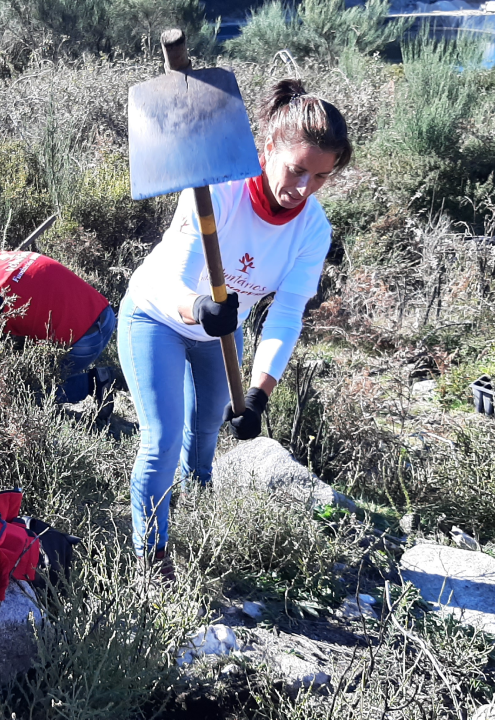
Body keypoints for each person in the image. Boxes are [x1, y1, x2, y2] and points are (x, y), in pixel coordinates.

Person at [118, 79, 352, 569]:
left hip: (222, 331)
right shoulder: (215, 191)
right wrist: (198, 307)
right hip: (157, 315)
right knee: (161, 438)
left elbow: (286, 316)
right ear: (267, 150)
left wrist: (260, 393)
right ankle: (150, 558)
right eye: (297, 170)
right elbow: (169, 281)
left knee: (204, 434)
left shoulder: (313, 229)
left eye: (321, 178)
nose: (304, 188)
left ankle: (195, 512)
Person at [0, 244, 119, 406]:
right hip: (106, 316)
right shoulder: (7, 256)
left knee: (21, 392)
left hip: (85, 340)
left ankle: (94, 384)